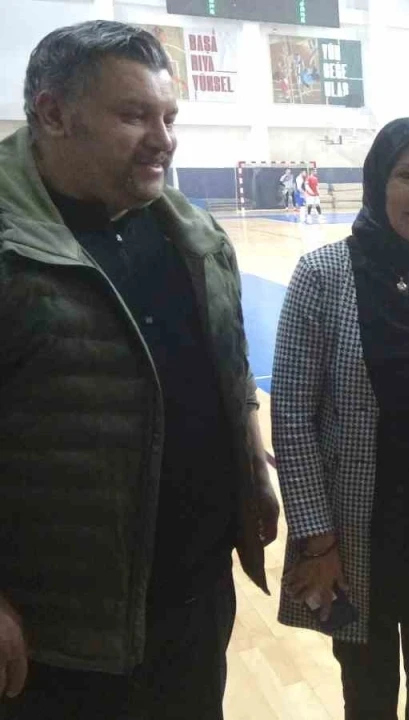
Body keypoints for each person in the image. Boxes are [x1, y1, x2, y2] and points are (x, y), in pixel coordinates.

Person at [0, 20, 279, 718]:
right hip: (58, 640)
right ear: (53, 114)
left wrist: (253, 465)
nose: (163, 139)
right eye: (133, 116)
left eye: (168, 117)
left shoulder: (195, 236)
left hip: (192, 606)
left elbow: (231, 368)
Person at [273, 118, 409, 720]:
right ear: (377, 181)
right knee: (367, 690)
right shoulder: (322, 275)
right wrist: (317, 540)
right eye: (408, 176)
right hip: (353, 532)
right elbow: (291, 418)